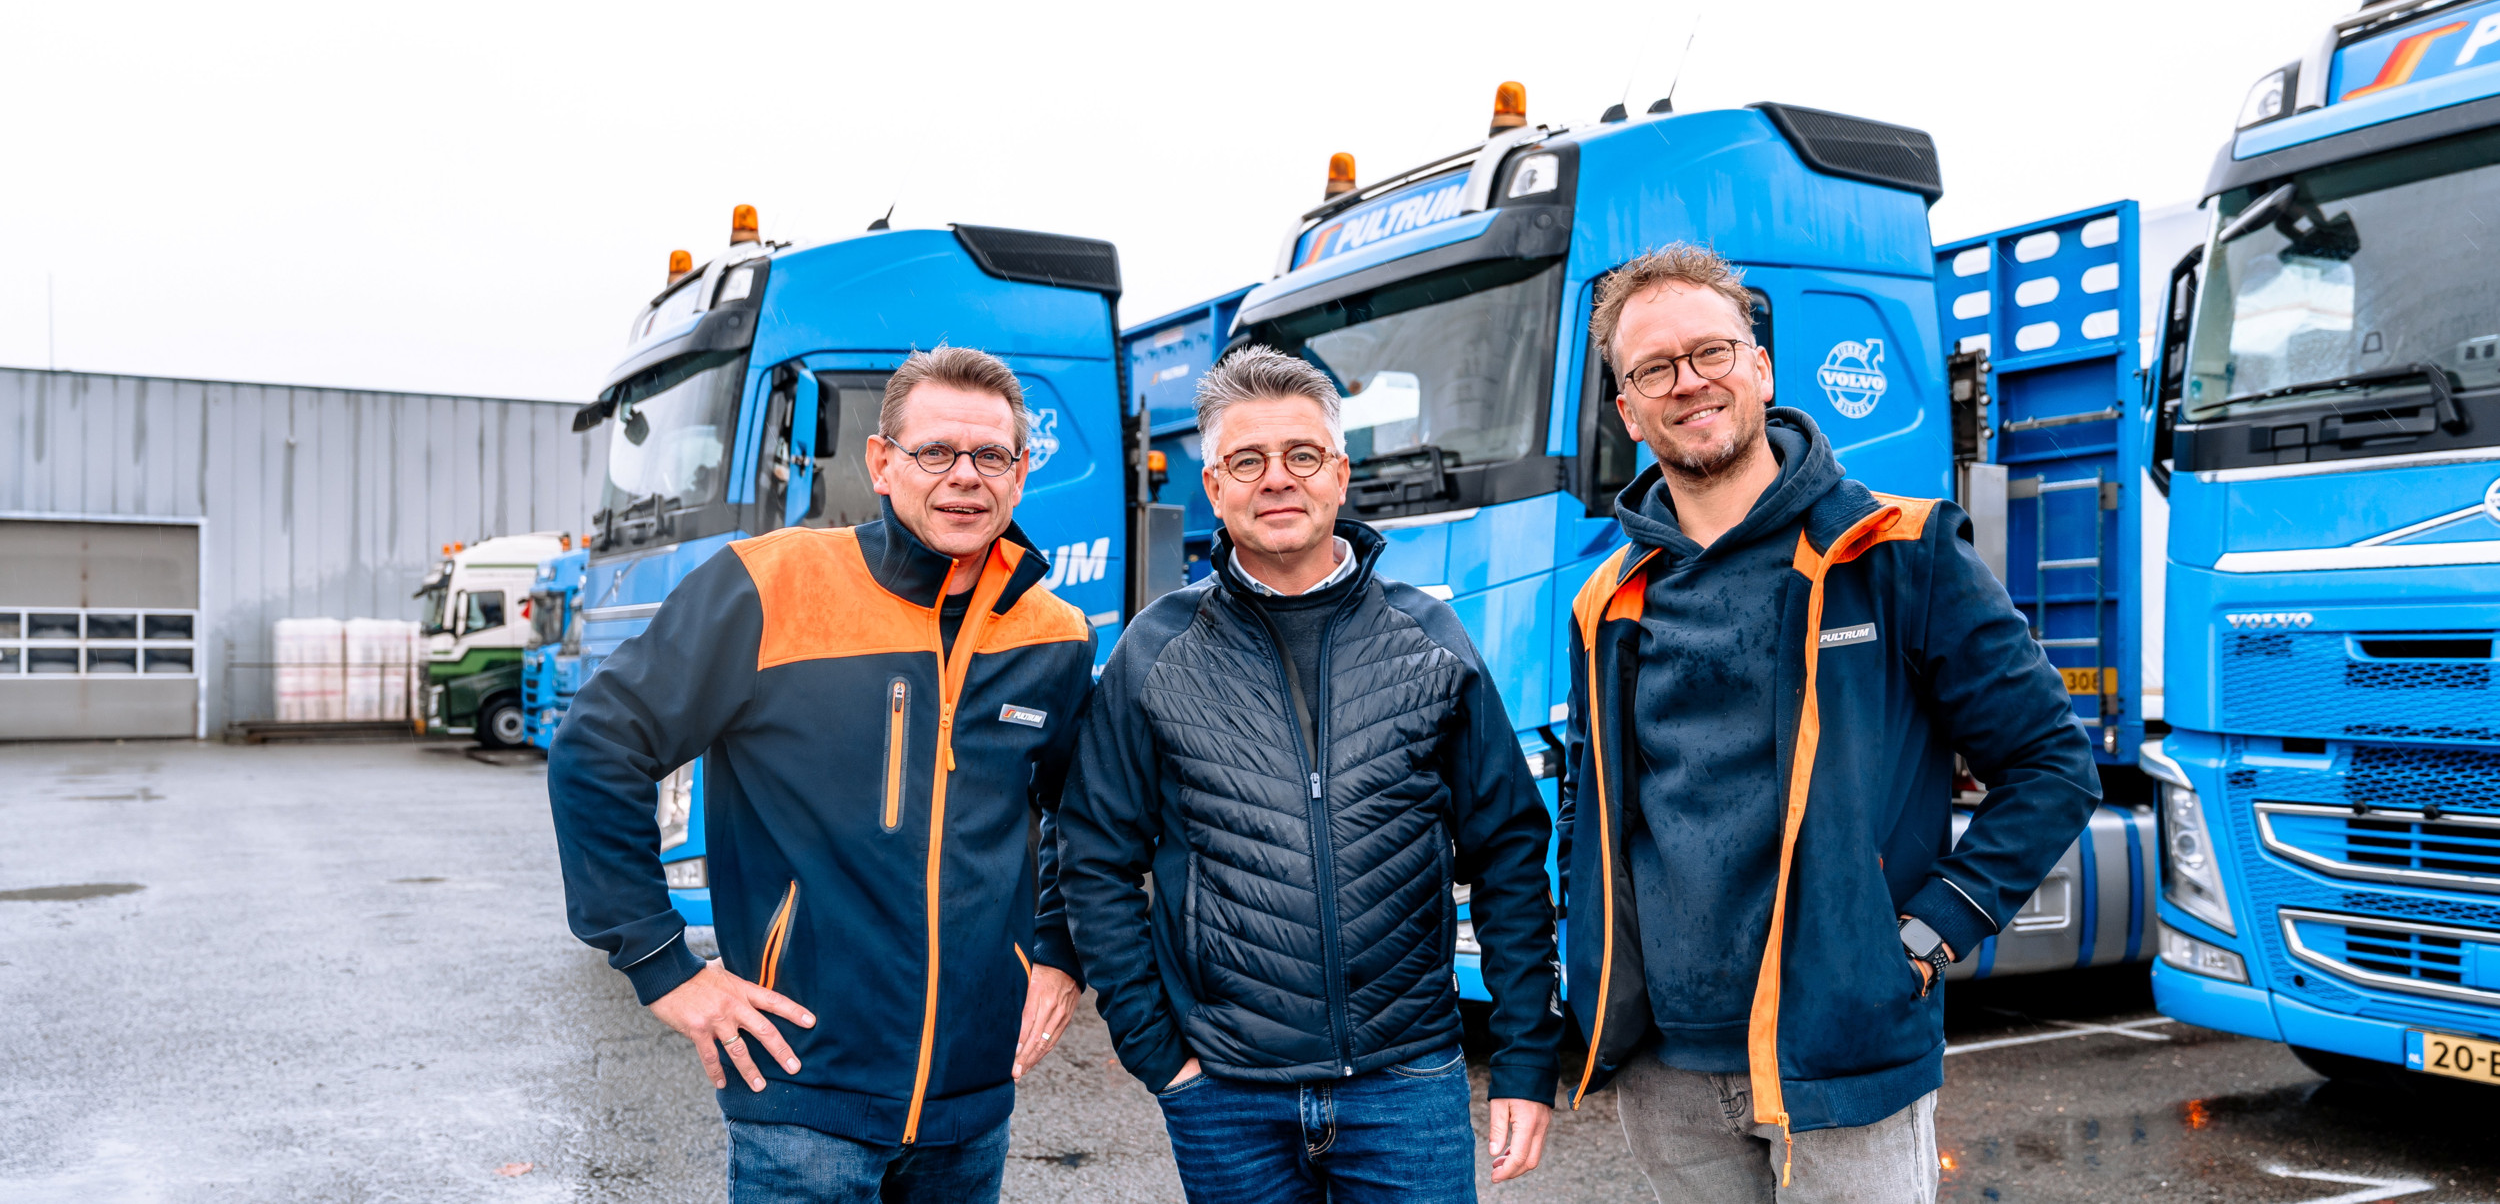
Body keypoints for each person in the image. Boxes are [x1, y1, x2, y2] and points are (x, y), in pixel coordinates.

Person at [1557, 244, 2100, 1202]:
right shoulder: (1610, 598)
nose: (1689, 383)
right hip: (1669, 1077)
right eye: (1653, 369)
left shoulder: (1898, 549)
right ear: (1628, 411)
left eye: (1711, 352)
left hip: (1845, 1059)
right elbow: (1595, 813)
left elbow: (2053, 763)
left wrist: (1927, 936)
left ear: (1760, 367)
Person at [547, 346, 1096, 1204]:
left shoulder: (1054, 632)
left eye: (991, 455)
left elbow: (1080, 812)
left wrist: (1059, 950)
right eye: (936, 452)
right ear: (881, 463)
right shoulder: (772, 586)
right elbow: (597, 745)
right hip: (803, 1102)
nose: (965, 477)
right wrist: (664, 965)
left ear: (1020, 473)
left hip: (974, 1108)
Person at [1057, 345, 1560, 1204]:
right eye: (1246, 461)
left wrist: (1523, 1059)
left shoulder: (1429, 636)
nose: (1276, 479)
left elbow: (1510, 851)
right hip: (1225, 1093)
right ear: (1213, 488)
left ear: (1339, 473)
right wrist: (1159, 1054)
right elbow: (1093, 856)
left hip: (1408, 1083)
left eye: (1301, 455)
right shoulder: (1156, 651)